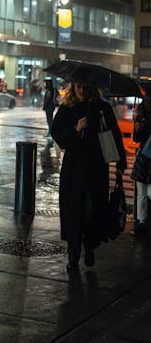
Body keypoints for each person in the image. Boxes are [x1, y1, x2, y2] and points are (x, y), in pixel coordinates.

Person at [51, 81, 126, 272]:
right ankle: (73, 255)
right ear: (73, 88)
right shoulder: (68, 108)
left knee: (93, 211)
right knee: (74, 211)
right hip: (74, 169)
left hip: (96, 168)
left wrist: (121, 161)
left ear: (92, 87)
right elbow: (57, 134)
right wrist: (76, 129)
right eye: (78, 87)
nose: (82, 90)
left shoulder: (102, 109)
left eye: (85, 87)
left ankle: (90, 245)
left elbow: (115, 135)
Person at [131, 93, 151, 235]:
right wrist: (137, 129)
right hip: (143, 157)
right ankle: (141, 222)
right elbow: (136, 139)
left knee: (149, 192)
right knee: (142, 193)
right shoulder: (140, 116)